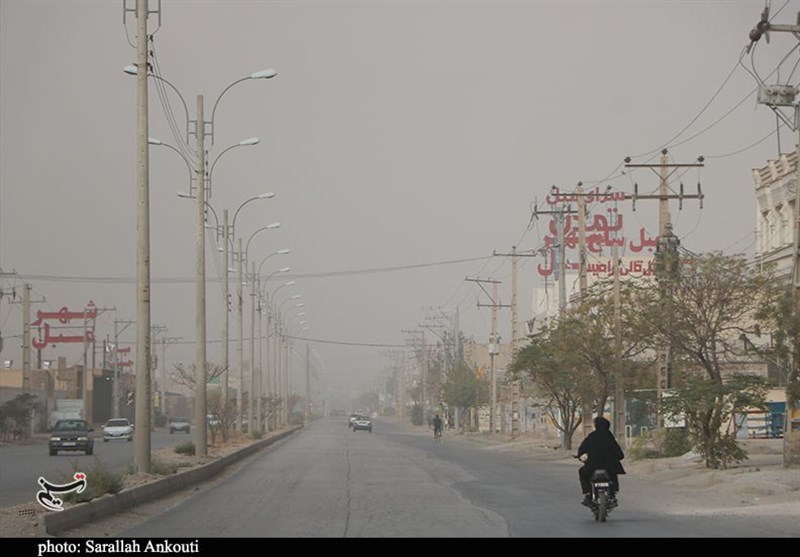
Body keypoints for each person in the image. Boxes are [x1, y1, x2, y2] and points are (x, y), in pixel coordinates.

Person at [576, 416, 625, 507]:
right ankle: (613, 493)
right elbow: (620, 455)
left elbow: (582, 449)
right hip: (609, 467)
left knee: (582, 472)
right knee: (613, 474)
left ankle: (587, 494)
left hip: (592, 466)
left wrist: (579, 456)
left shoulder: (591, 436)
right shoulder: (610, 437)